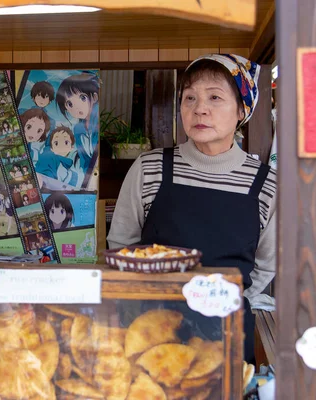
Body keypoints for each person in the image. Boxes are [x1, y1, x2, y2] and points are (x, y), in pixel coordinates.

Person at [107, 54, 276, 363]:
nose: (200, 108)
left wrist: (228, 304)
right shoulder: (151, 167)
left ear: (242, 109)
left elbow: (265, 266)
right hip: (150, 331)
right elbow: (121, 245)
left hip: (226, 335)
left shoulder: (266, 184)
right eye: (189, 98)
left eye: (215, 97)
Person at [56, 73, 100, 172]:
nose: (77, 107)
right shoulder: (78, 129)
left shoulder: (98, 121)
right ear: (66, 108)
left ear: (94, 97)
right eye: (70, 104)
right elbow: (84, 160)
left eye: (82, 98)